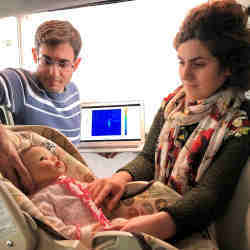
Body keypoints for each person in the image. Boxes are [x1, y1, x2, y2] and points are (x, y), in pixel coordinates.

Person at [87, 0, 250, 248]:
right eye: (181, 62)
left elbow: (211, 194)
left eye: (198, 64)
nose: (185, 75)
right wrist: (118, 179)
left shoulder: (241, 123)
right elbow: (147, 157)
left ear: (228, 66)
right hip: (163, 211)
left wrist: (160, 223)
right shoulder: (173, 104)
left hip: (194, 227)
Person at [0, 20, 82, 191]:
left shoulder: (74, 94)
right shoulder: (18, 82)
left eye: (63, 64)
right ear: (35, 54)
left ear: (76, 64)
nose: (54, 73)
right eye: (47, 61)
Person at [19, 143, 126, 248]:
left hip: (103, 228)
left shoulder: (70, 182)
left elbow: (93, 191)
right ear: (25, 175)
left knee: (123, 224)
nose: (55, 160)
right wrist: (87, 232)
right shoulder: (40, 198)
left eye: (54, 157)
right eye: (43, 158)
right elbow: (55, 230)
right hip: (80, 241)